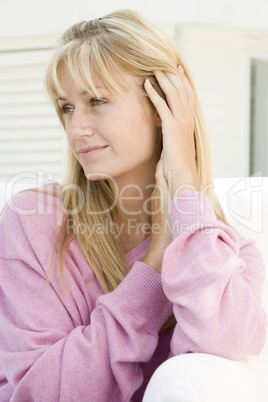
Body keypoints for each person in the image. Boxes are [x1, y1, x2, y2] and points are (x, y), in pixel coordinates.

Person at [0, 9, 266, 402]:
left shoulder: (230, 257)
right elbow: (38, 392)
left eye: (97, 101)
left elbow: (225, 345)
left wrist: (185, 192)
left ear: (164, 110)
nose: (76, 129)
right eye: (67, 108)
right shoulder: (36, 222)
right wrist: (154, 267)